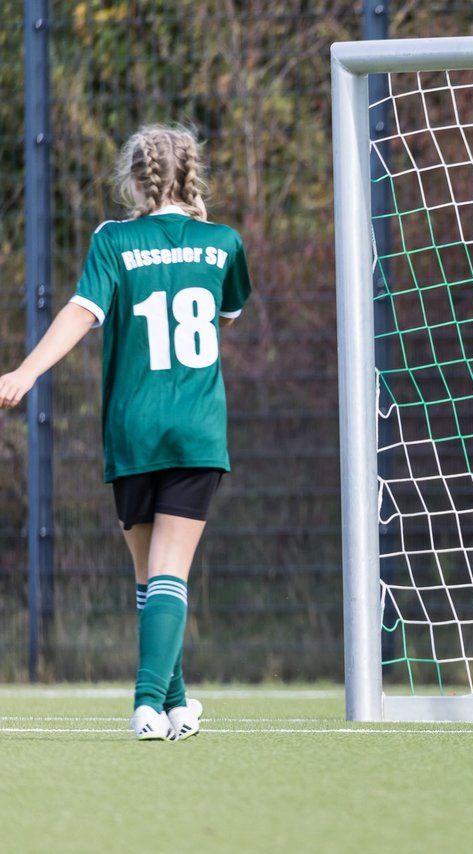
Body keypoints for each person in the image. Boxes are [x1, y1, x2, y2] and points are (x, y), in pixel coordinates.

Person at [0, 125, 252, 741]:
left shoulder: (113, 240)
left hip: (133, 428)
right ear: (191, 175)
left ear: (136, 180)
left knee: (150, 577)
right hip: (195, 427)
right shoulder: (223, 243)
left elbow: (83, 314)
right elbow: (227, 311)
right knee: (165, 576)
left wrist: (26, 372)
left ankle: (171, 705)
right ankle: (153, 703)